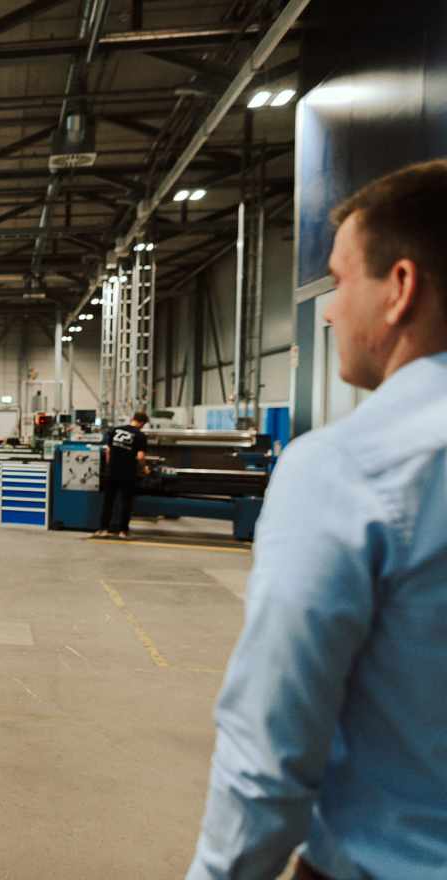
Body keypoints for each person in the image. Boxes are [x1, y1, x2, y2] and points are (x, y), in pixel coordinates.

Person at [187, 160, 447, 879]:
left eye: (338, 281)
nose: (329, 310)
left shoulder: (350, 470)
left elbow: (269, 754)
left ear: (400, 288)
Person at [95, 411, 148, 538]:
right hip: (128, 473)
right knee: (126, 502)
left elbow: (108, 451)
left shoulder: (115, 430)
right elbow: (140, 456)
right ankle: (123, 531)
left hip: (112, 472)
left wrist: (110, 467)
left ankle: (103, 529)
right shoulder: (140, 435)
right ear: (141, 423)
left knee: (108, 501)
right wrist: (144, 468)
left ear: (132, 418)